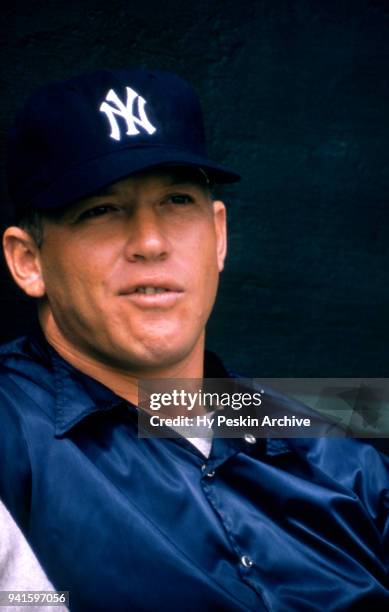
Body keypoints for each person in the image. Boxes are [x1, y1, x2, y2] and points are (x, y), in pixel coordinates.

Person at [0, 67, 388, 611]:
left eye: (178, 201)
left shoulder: (337, 455)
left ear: (219, 235)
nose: (151, 242)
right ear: (29, 260)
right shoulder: (13, 444)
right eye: (102, 210)